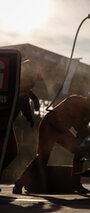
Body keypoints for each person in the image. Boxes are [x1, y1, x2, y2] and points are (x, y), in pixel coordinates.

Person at [12, 89, 90, 194]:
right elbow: (79, 127)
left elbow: (82, 132)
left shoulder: (88, 114)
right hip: (49, 127)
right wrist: (88, 137)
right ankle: (19, 183)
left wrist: (87, 142)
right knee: (42, 158)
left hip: (62, 131)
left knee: (80, 151)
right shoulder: (76, 101)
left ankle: (75, 183)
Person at [0, 60, 42, 192]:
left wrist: (34, 98)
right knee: (9, 152)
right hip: (3, 121)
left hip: (7, 122)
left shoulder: (17, 78)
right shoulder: (22, 78)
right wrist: (29, 116)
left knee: (10, 152)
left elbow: (24, 91)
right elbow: (23, 97)